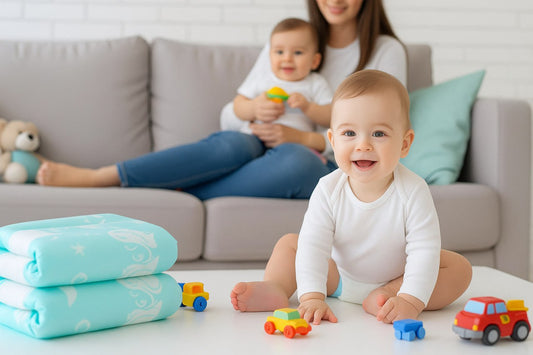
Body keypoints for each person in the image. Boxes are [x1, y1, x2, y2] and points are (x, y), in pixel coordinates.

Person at [36, 0, 407, 202]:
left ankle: (172, 185)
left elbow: (385, 125)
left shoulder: (384, 51)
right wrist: (254, 110)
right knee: (232, 143)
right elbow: (231, 115)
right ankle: (104, 175)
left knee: (298, 162)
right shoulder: (289, 41)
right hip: (256, 140)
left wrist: (306, 139)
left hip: (324, 157)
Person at [230, 70, 473, 325]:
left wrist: (410, 299)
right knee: (292, 244)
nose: (363, 145)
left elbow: (423, 249)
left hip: (398, 279)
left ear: (404, 143)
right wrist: (311, 296)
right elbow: (315, 244)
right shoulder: (328, 188)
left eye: (378, 134)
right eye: (349, 134)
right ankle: (277, 287)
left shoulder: (414, 190)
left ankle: (388, 297)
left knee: (458, 268)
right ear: (333, 141)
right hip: (337, 278)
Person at [234, 17, 332, 135]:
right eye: (279, 52)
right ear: (269, 56)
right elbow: (238, 105)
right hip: (253, 136)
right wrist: (254, 108)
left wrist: (309, 107)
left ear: (315, 61)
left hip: (292, 142)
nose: (287, 59)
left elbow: (330, 117)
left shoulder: (316, 83)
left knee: (295, 154)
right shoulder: (263, 78)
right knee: (230, 143)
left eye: (297, 52)